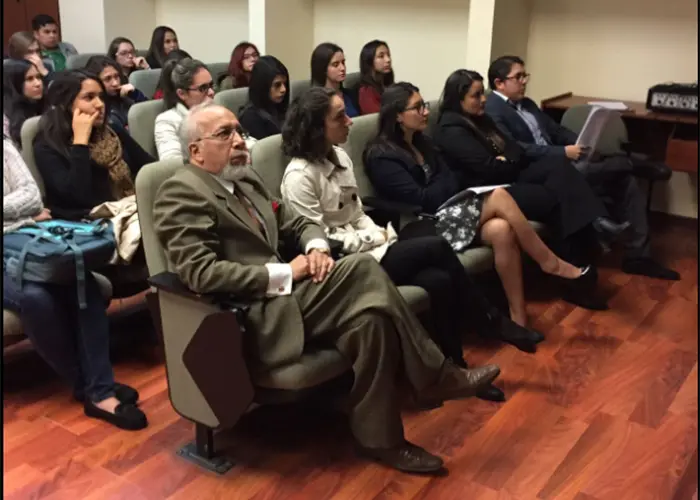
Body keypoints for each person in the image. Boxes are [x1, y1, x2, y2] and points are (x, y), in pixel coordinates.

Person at [152, 101, 501, 474]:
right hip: (249, 318)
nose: (239, 140)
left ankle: (381, 441)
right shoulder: (182, 192)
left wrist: (316, 246)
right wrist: (286, 272)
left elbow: (298, 222)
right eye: (225, 134)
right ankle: (434, 376)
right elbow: (199, 274)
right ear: (196, 151)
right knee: (361, 268)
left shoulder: (245, 179)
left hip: (291, 299)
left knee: (372, 323)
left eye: (239, 131)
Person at [280, 86, 550, 391]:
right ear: (316, 127)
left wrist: (377, 235)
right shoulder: (299, 177)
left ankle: (457, 371)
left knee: (439, 280)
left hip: (375, 247)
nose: (350, 121)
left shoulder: (339, 155)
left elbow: (356, 214)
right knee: (435, 246)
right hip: (349, 267)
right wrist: (375, 236)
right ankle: (492, 321)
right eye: (339, 116)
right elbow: (322, 243)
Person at [364, 82, 601, 316]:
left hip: (446, 212)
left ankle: (518, 315)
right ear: (397, 116)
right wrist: (441, 182)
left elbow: (451, 181)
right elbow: (423, 198)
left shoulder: (421, 141)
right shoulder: (381, 156)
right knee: (498, 195)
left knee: (500, 228)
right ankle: (551, 263)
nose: (425, 111)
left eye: (424, 105)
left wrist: (441, 183)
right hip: (419, 227)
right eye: (417, 108)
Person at [485, 55, 678, 281]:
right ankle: (629, 163)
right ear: (499, 83)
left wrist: (580, 141)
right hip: (536, 173)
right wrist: (562, 152)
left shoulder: (526, 104)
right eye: (518, 77)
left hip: (561, 164)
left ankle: (638, 257)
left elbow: (555, 131)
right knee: (608, 169)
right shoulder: (492, 110)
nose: (524, 81)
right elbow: (515, 148)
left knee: (627, 182)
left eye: (525, 75)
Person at [3, 135, 147, 430]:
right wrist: (20, 211)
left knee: (83, 280)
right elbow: (25, 203)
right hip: (21, 236)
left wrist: (23, 214)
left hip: (27, 240)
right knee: (36, 298)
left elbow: (31, 195)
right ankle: (95, 387)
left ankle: (97, 389)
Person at [33, 70, 155, 221]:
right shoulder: (47, 144)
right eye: (89, 97)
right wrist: (80, 142)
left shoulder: (111, 131)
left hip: (128, 209)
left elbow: (149, 167)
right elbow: (77, 197)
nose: (99, 104)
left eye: (101, 97)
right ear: (65, 104)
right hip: (88, 223)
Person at [154, 57, 214, 160]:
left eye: (211, 85)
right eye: (203, 88)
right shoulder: (167, 121)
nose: (211, 92)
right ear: (182, 94)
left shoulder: (218, 111)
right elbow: (172, 164)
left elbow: (246, 142)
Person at [85, 55, 148, 131]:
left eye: (116, 76)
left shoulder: (126, 96)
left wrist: (136, 95)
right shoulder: (96, 107)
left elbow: (148, 116)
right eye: (108, 79)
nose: (115, 83)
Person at [239, 55, 289, 140]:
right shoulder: (250, 118)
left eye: (285, 84)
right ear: (262, 86)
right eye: (277, 85)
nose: (283, 89)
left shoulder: (281, 109)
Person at [3, 59, 45, 147]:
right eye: (30, 79)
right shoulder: (6, 119)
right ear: (14, 84)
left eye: (38, 77)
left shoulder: (45, 104)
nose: (38, 84)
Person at [310, 42, 359, 118]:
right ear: (322, 68)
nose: (342, 68)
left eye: (343, 62)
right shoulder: (315, 102)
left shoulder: (351, 95)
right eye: (335, 65)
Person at [358, 40, 394, 115]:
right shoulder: (366, 91)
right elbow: (379, 119)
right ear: (369, 61)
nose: (388, 60)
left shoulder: (388, 85)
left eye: (388, 55)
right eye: (381, 56)